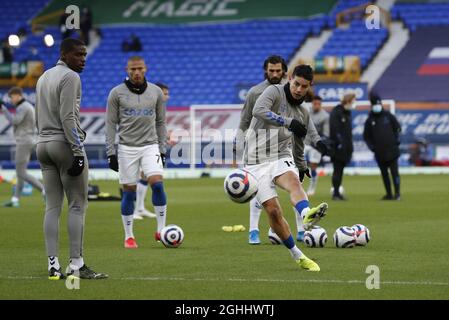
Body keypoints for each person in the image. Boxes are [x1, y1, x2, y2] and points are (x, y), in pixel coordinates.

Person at [243, 64, 330, 271]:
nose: (299, 89)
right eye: (296, 83)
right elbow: (258, 110)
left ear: (310, 86)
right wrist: (286, 121)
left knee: (294, 181)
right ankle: (297, 255)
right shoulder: (274, 91)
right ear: (289, 78)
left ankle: (307, 213)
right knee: (273, 211)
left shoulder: (303, 112)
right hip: (256, 158)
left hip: (281, 155)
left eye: (304, 86)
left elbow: (299, 141)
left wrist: (301, 165)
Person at [35, 38, 108, 280]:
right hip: (63, 145)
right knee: (77, 205)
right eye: (78, 54)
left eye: (85, 54)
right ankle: (76, 265)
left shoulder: (43, 77)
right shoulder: (71, 77)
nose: (83, 59)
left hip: (42, 145)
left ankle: (52, 265)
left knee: (52, 206)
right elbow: (68, 118)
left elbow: (39, 114)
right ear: (64, 55)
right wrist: (77, 151)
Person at [106, 56, 167, 249]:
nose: (137, 72)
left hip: (150, 146)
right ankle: (129, 236)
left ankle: (161, 230)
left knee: (157, 185)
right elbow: (110, 124)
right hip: (126, 148)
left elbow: (160, 122)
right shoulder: (116, 93)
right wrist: (111, 152)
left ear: (146, 68)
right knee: (129, 193)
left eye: (140, 68)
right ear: (127, 70)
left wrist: (162, 149)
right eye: (133, 69)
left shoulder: (156, 92)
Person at [0, 87, 45, 207]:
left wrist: (4, 110)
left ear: (18, 95)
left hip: (24, 141)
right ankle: (15, 199)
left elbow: (15, 120)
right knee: (20, 172)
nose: (11, 100)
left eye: (12, 97)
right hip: (27, 140)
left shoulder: (23, 106)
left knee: (21, 172)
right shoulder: (26, 106)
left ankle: (44, 190)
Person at [134, 82, 170, 220]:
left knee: (144, 176)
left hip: (151, 145)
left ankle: (140, 208)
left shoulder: (158, 107)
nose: (168, 97)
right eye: (165, 93)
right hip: (144, 146)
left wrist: (165, 137)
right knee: (143, 177)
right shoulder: (149, 107)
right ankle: (135, 210)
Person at [363, 95, 402, 200]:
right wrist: (372, 147)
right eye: (375, 104)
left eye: (379, 104)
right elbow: (366, 136)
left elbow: (398, 128)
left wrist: (397, 140)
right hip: (379, 152)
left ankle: (397, 194)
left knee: (394, 173)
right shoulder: (369, 120)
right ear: (372, 106)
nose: (377, 106)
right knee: (384, 174)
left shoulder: (388, 116)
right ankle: (389, 194)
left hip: (392, 150)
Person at [329, 93, 355, 200]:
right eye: (353, 101)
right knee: (337, 170)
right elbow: (335, 130)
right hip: (338, 148)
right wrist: (339, 144)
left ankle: (337, 192)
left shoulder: (347, 113)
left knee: (340, 170)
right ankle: (335, 193)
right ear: (348, 101)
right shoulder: (337, 112)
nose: (354, 103)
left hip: (345, 148)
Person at [304, 95, 329, 196]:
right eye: (315, 103)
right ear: (312, 104)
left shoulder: (325, 116)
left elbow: (326, 133)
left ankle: (312, 187)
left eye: (319, 104)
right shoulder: (306, 113)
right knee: (298, 165)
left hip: (316, 145)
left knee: (313, 166)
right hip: (304, 143)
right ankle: (297, 187)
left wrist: (320, 143)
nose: (317, 106)